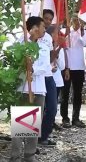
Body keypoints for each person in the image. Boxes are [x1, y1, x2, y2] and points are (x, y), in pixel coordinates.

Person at [11, 16, 47, 162]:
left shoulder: (44, 46)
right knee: (20, 124)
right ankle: (15, 156)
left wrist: (33, 68)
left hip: (38, 89)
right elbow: (15, 60)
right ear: (35, 28)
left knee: (33, 124)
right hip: (23, 88)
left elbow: (44, 66)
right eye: (42, 26)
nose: (44, 29)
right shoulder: (21, 43)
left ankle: (29, 155)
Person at [60, 15, 86, 128]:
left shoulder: (85, 32)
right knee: (65, 94)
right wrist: (67, 33)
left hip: (79, 67)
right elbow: (62, 47)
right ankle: (65, 118)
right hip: (66, 67)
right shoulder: (64, 31)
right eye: (75, 20)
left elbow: (84, 43)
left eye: (79, 20)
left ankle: (75, 118)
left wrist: (81, 30)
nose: (77, 22)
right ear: (70, 20)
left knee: (77, 94)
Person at [38, 10, 57, 146]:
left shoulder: (49, 38)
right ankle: (26, 145)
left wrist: (59, 47)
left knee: (52, 108)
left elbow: (50, 58)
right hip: (32, 78)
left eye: (50, 19)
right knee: (28, 109)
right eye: (45, 18)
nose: (48, 21)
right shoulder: (27, 37)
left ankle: (43, 137)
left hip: (47, 76)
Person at [46, 25, 66, 131]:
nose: (57, 36)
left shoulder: (59, 47)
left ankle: (49, 125)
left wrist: (57, 53)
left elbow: (62, 66)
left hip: (55, 80)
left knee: (52, 107)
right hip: (41, 81)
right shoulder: (43, 45)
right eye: (55, 33)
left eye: (58, 33)